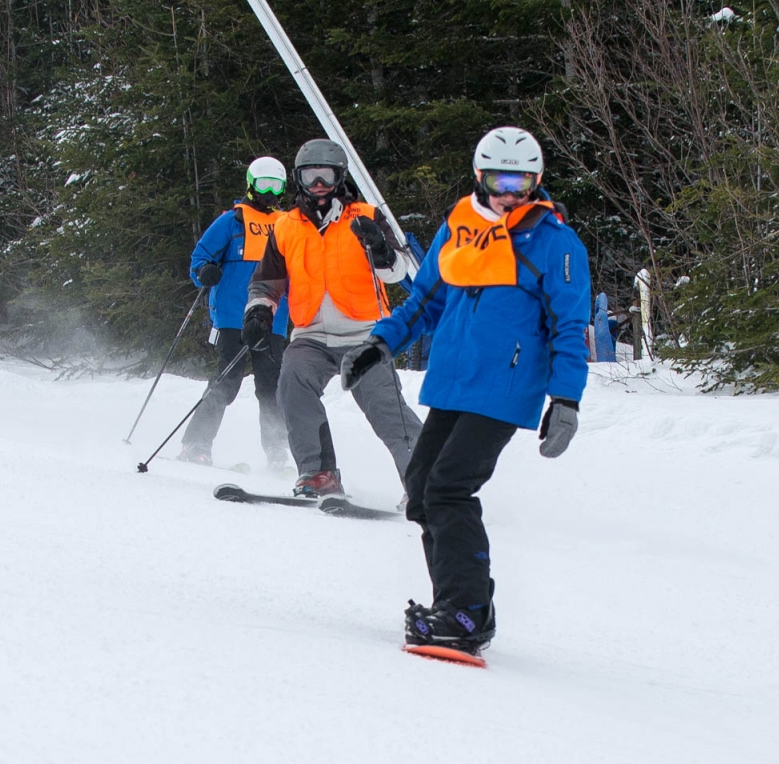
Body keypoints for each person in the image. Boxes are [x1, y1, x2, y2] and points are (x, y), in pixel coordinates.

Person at [340, 126, 591, 655]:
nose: (510, 193)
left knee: (449, 488)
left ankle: (466, 614)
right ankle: (456, 604)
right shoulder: (458, 228)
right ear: (480, 177)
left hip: (506, 385)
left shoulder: (554, 241)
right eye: (500, 180)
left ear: (537, 181)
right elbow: (425, 302)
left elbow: (569, 327)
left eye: (522, 182)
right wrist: (377, 344)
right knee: (422, 488)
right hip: (454, 381)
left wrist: (565, 400)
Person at [242, 139, 422, 499]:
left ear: (340, 177)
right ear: (299, 179)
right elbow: (266, 282)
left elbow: (398, 271)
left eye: (326, 175)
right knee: (291, 384)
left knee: (384, 406)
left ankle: (424, 480)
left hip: (365, 332)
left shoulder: (366, 217)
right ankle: (319, 472)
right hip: (311, 334)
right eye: (310, 176)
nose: (319, 184)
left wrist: (381, 249)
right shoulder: (286, 227)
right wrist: (260, 310)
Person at [179, 157, 292, 469]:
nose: (269, 191)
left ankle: (277, 450)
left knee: (271, 385)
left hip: (273, 318)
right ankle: (196, 442)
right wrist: (204, 272)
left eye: (276, 185)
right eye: (263, 184)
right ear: (251, 185)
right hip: (232, 315)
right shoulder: (232, 221)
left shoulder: (288, 225)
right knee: (227, 381)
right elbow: (200, 256)